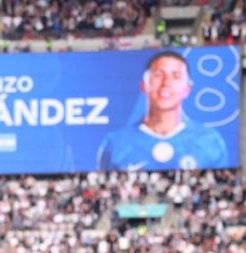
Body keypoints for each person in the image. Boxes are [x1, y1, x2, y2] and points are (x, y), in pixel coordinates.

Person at [97, 51, 230, 171]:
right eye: (158, 75)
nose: (166, 83)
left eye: (176, 76)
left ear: (187, 89)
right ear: (143, 85)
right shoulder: (115, 142)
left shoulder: (209, 140)